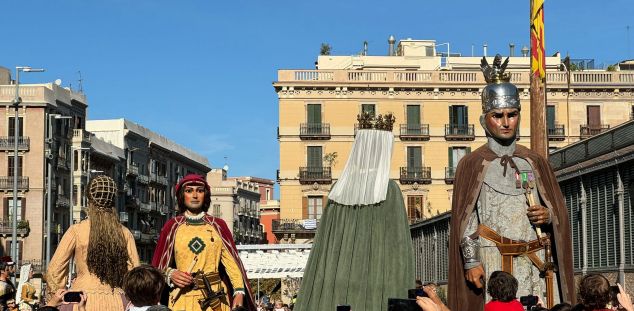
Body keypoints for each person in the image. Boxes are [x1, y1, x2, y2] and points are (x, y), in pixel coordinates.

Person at [447, 55, 575, 311]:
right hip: (492, 259)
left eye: (512, 114)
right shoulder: (472, 164)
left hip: (536, 263)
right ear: (485, 120)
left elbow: (559, 210)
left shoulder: (535, 161)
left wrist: (549, 215)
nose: (506, 122)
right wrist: (471, 261)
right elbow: (466, 219)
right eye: (498, 115)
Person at [293, 113, 414, 311]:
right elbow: (400, 251)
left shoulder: (337, 190)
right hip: (378, 283)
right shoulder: (390, 190)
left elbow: (322, 248)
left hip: (335, 283)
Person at [152, 174, 256, 311]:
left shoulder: (218, 226)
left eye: (199, 191)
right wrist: (171, 274)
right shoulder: (172, 226)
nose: (195, 195)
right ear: (182, 196)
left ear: (205, 195)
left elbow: (232, 264)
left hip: (215, 299)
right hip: (181, 299)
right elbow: (158, 265)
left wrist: (239, 291)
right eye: (189, 191)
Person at [46, 175, 140, 310]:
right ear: (113, 200)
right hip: (117, 301)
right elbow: (135, 271)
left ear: (89, 199)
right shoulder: (125, 233)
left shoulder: (76, 230)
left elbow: (55, 269)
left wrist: (56, 296)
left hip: (81, 300)